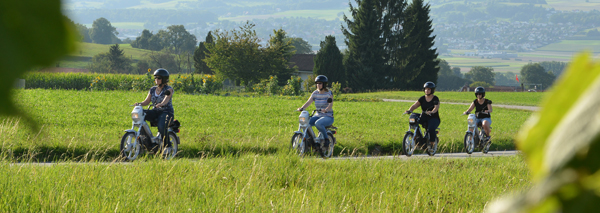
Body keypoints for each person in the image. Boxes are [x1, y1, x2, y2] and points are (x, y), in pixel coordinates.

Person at [135, 68, 175, 149]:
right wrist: (139, 104)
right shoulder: (153, 89)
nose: (156, 79)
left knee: (161, 126)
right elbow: (146, 101)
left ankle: (168, 146)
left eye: (159, 78)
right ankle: (147, 141)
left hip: (166, 112)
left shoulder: (168, 89)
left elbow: (167, 98)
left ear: (164, 79)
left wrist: (162, 104)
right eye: (155, 77)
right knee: (140, 115)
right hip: (155, 111)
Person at [297, 75, 334, 147]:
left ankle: (326, 139)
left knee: (318, 123)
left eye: (320, 83)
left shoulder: (329, 93)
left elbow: (330, 104)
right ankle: (309, 141)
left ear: (324, 84)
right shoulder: (315, 93)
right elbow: (308, 102)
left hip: (328, 116)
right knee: (305, 123)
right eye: (317, 83)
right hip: (318, 115)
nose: (318, 85)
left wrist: (326, 110)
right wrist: (302, 108)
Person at [405, 81, 441, 147]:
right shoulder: (422, 98)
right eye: (426, 89)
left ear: (432, 90)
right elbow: (415, 105)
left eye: (429, 89)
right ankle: (419, 138)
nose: (427, 90)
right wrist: (409, 110)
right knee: (414, 120)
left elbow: (436, 107)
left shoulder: (435, 98)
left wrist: (432, 112)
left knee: (430, 129)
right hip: (424, 116)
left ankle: (432, 143)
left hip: (433, 118)